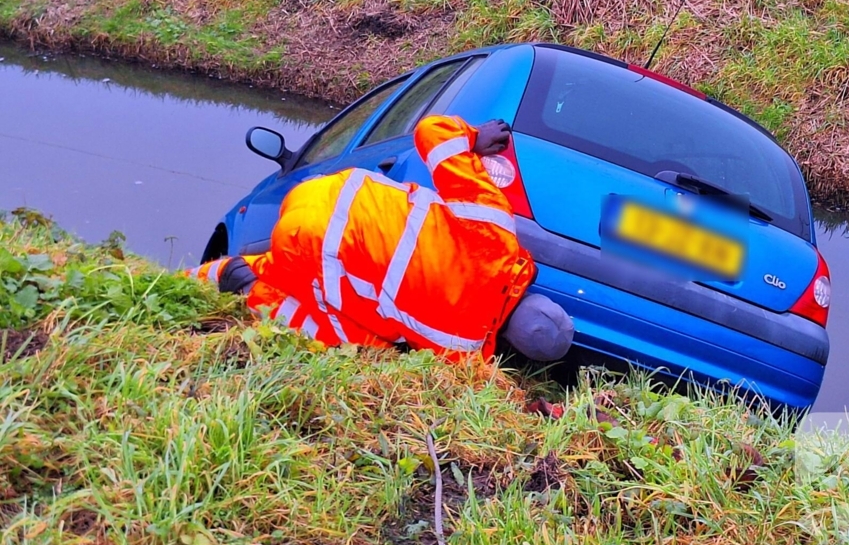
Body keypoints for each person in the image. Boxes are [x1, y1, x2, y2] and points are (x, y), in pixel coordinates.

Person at [187, 114, 574, 363]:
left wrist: (475, 138)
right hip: (313, 253)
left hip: (326, 193)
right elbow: (491, 392)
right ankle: (243, 286)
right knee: (366, 345)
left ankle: (159, 280)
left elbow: (431, 132)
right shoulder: (461, 349)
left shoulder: (496, 230)